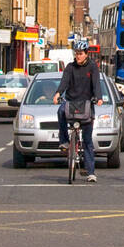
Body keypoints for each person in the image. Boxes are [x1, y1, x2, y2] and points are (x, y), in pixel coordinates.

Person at [53, 40, 103, 182]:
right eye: (76, 54)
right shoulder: (70, 67)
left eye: (80, 54)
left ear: (86, 54)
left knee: (87, 140)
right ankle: (64, 141)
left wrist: (98, 98)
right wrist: (58, 94)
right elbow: (64, 82)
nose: (78, 56)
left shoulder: (92, 67)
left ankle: (91, 173)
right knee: (60, 111)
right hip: (71, 102)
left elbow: (96, 84)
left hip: (86, 103)